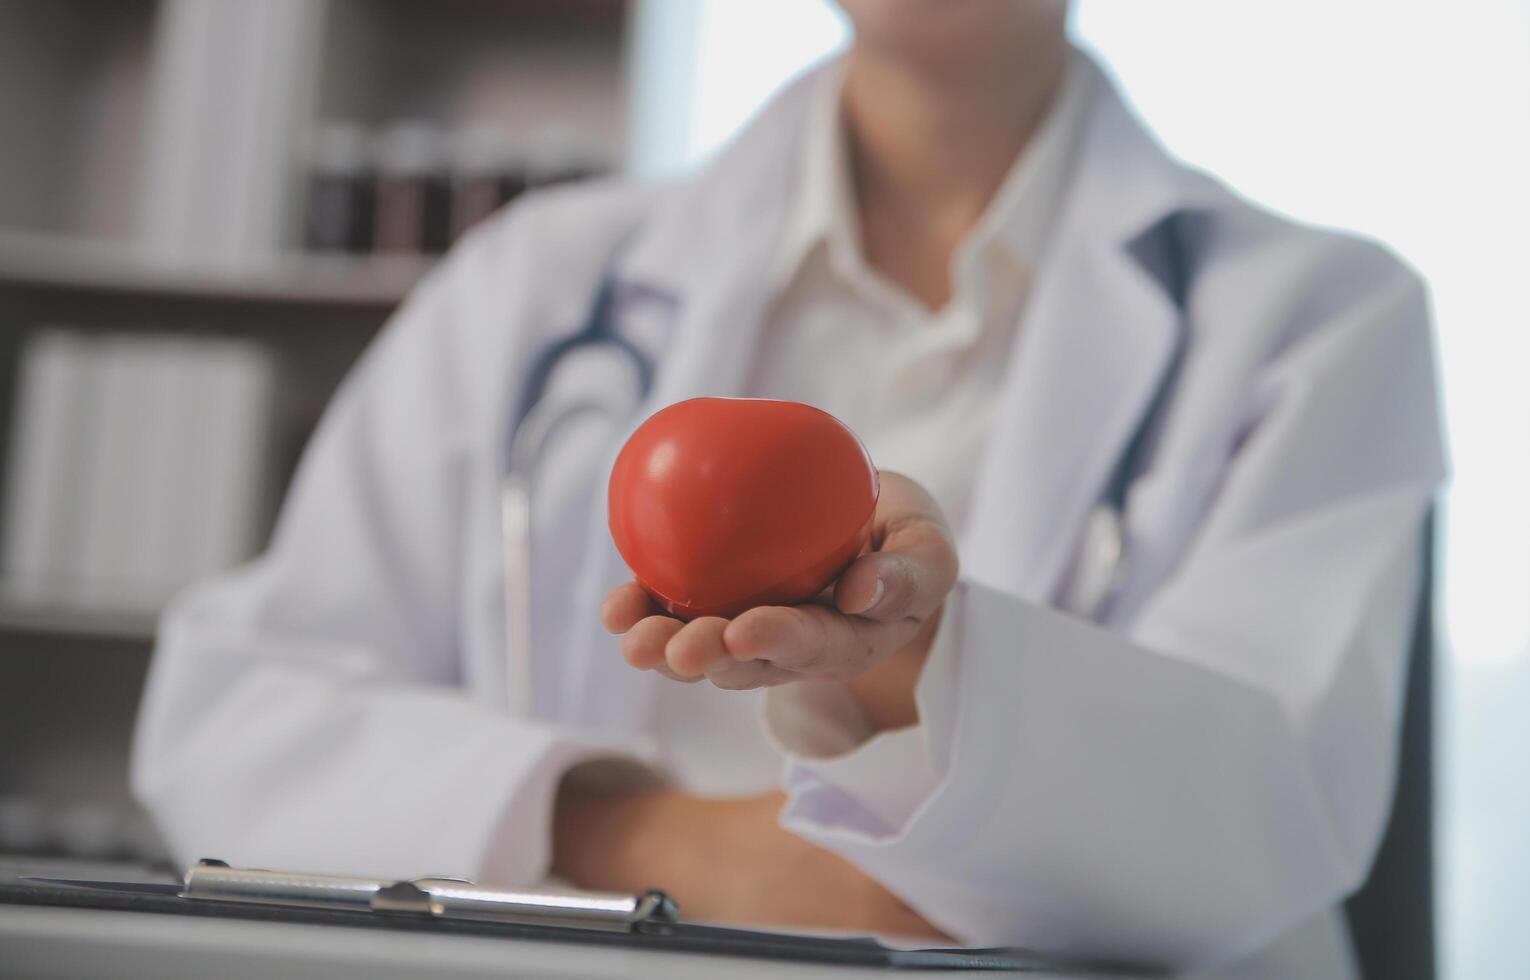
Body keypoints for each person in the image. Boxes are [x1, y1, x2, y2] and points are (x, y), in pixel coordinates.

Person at [131, 1, 1446, 976]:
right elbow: (235, 722)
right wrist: (675, 848)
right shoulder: (533, 284)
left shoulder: (1316, 317)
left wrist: (912, 663)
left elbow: (1265, 825)